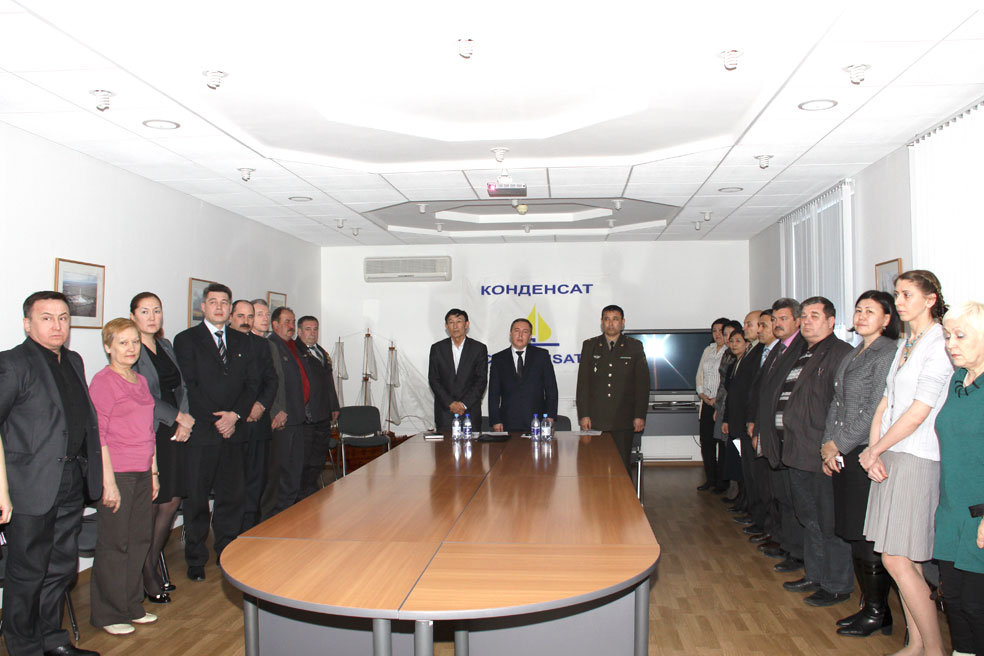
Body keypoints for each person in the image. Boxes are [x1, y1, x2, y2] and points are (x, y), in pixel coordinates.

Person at [0, 291, 102, 656]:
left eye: (63, 318)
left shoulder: (73, 360)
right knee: (27, 573)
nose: (57, 325)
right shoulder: (12, 363)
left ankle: (52, 641)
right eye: (46, 318)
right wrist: (1, 490)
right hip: (28, 487)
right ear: (27, 323)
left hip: (71, 480)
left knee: (61, 568)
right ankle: (24, 648)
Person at [860, 270, 952, 656]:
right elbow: (886, 401)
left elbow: (918, 412)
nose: (899, 301)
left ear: (930, 299)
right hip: (892, 453)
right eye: (896, 294)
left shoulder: (939, 342)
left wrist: (876, 449)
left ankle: (935, 650)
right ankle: (916, 644)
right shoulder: (906, 342)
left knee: (898, 558)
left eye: (907, 294)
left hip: (918, 456)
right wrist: (874, 449)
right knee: (902, 560)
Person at [819, 290, 900, 636]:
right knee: (852, 531)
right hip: (843, 451)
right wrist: (827, 445)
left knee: (865, 535)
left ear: (886, 319)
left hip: (866, 451)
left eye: (870, 311)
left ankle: (878, 610)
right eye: (858, 310)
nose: (862, 316)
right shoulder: (855, 351)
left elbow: (875, 408)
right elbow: (836, 402)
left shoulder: (888, 352)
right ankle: (870, 606)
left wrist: (839, 443)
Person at [173, 283, 259, 581]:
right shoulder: (186, 339)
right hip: (202, 432)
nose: (219, 307)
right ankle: (196, 558)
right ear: (203, 307)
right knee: (197, 498)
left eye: (224, 302)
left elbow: (252, 384)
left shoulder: (243, 341)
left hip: (234, 430)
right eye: (213, 302)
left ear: (230, 308)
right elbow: (190, 385)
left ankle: (226, 552)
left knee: (231, 497)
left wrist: (234, 416)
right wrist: (218, 419)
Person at [775, 297, 854, 606]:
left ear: (831, 321)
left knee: (828, 521)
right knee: (809, 518)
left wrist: (832, 448)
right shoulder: (802, 353)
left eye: (815, 316)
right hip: (798, 450)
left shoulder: (840, 353)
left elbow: (844, 406)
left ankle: (836, 584)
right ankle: (815, 574)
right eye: (804, 316)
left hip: (822, 453)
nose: (807, 321)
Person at [88, 318, 159, 635]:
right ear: (108, 347)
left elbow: (149, 430)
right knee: (115, 544)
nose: (131, 348)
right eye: (122, 342)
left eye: (135, 342)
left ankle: (131, 606)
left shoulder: (140, 380)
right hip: (117, 472)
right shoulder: (103, 382)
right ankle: (108, 613)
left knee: (139, 540)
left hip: (143, 471)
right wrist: (108, 482)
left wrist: (154, 471)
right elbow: (99, 436)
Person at [130, 292, 193, 604]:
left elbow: (181, 386)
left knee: (172, 500)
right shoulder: (131, 348)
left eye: (156, 310)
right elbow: (141, 394)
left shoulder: (166, 345)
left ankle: (151, 563)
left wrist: (185, 421)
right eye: (145, 311)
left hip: (176, 430)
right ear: (133, 317)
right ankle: (145, 572)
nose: (152, 317)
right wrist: (176, 416)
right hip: (150, 431)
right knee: (153, 502)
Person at [933, 301, 984, 656]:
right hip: (951, 512)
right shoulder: (957, 380)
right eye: (948, 336)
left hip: (979, 515)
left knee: (976, 606)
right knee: (952, 599)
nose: (951, 344)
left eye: (960, 336)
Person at [754, 298, 807, 574]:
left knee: (792, 498)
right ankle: (787, 544)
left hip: (791, 437)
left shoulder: (802, 348)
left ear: (797, 321)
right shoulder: (777, 349)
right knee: (780, 494)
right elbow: (765, 394)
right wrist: (759, 429)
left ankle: (797, 552)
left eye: (783, 319)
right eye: (774, 319)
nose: (777, 324)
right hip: (772, 435)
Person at [575, 304, 649, 473]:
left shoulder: (634, 346)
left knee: (621, 466)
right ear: (601, 322)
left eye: (615, 319)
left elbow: (642, 385)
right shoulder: (590, 345)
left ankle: (623, 492)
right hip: (595, 419)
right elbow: (583, 383)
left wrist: (639, 415)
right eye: (607, 319)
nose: (611, 323)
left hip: (623, 419)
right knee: (594, 465)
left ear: (623, 322)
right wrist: (584, 414)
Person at [230, 300, 278, 530]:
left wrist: (260, 405)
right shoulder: (222, 344)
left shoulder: (261, 345)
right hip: (232, 426)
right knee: (234, 484)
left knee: (257, 482)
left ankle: (251, 531)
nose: (246, 321)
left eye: (250, 317)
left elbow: (271, 379)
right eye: (241, 316)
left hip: (258, 423)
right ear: (230, 317)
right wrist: (242, 410)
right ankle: (232, 533)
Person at [262, 306, 309, 517]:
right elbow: (273, 383)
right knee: (280, 472)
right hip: (283, 419)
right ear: (275, 325)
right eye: (287, 321)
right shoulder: (272, 345)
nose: (291, 326)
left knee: (294, 470)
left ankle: (289, 513)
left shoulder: (292, 347)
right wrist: (276, 411)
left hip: (297, 417)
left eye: (293, 321)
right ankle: (276, 517)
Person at [296, 315, 341, 498]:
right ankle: (301, 495)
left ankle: (311, 490)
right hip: (306, 415)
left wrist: (334, 405)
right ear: (299, 331)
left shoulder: (321, 352)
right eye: (308, 329)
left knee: (318, 457)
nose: (312, 333)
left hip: (323, 413)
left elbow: (328, 382)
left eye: (315, 329)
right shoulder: (295, 352)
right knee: (304, 459)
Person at [488, 318, 559, 432]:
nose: (520, 335)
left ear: (530, 336)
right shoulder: (498, 359)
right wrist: (495, 420)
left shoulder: (541, 356)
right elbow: (493, 393)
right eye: (517, 331)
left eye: (525, 332)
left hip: (537, 420)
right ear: (510, 334)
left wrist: (550, 416)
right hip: (507, 422)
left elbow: (551, 389)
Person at [428, 309, 488, 431]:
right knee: (445, 444)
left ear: (466, 324)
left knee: (471, 444)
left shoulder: (479, 348)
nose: (455, 326)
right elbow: (434, 379)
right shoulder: (437, 348)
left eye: (459, 321)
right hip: (445, 412)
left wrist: (463, 404)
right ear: (446, 326)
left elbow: (481, 380)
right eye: (451, 322)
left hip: (470, 411)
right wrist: (450, 403)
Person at [695, 317, 730, 491]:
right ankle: (710, 479)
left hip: (721, 404)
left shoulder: (730, 351)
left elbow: (727, 379)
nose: (717, 334)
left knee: (722, 444)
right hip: (706, 403)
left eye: (721, 331)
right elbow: (700, 374)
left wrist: (718, 398)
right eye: (714, 331)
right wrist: (702, 394)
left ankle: (722, 482)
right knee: (707, 443)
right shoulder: (708, 350)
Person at [713, 320, 741, 495]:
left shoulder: (742, 358)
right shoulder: (727, 355)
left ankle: (736, 491)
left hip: (734, 409)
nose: (729, 340)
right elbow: (723, 383)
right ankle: (729, 487)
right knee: (723, 446)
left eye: (733, 336)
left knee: (733, 450)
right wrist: (718, 407)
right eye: (727, 336)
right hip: (723, 405)